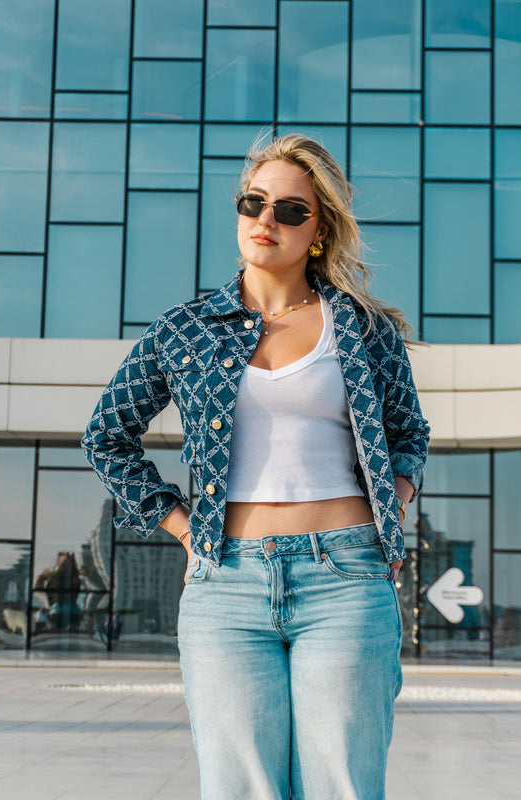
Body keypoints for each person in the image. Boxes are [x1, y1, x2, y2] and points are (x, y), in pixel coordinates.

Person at [82, 133, 429, 800]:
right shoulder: (183, 328)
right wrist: (182, 528)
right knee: (239, 788)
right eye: (253, 202)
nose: (266, 219)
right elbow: (106, 437)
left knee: (341, 786)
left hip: (348, 578)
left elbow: (406, 430)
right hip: (227, 585)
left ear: (319, 230)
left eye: (290, 210)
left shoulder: (361, 326)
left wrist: (394, 503)